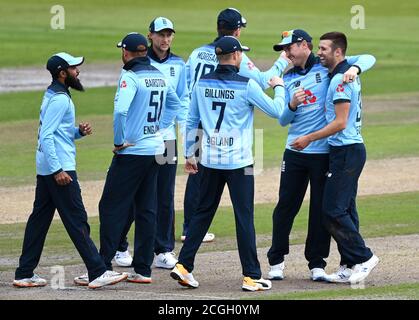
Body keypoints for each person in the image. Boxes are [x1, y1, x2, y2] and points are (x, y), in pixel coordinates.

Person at [170, 36, 286, 291]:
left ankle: (183, 265)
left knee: (202, 213)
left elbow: (192, 121)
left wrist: (190, 154)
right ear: (235, 56)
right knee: (244, 217)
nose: (242, 57)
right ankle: (252, 276)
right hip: (239, 162)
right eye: (241, 54)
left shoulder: (202, 84)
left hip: (209, 159)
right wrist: (279, 86)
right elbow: (278, 111)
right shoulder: (246, 85)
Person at [266, 29, 376, 282]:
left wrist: (356, 69)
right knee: (285, 207)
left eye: (288, 48)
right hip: (295, 150)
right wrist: (291, 103)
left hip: (323, 152)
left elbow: (368, 58)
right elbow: (283, 120)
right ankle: (276, 261)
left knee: (321, 209)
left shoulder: (328, 68)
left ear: (304, 45)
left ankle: (316, 263)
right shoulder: (289, 77)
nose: (286, 54)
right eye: (283, 50)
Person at [13, 53, 127, 289]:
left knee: (39, 221)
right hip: (60, 169)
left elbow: (55, 132)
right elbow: (46, 136)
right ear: (62, 73)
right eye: (74, 68)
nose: (78, 72)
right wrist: (58, 170)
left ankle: (24, 273)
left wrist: (78, 132)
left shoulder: (53, 94)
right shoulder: (60, 100)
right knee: (77, 220)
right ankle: (97, 270)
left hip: (47, 167)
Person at [75, 33, 180, 286]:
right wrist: (158, 129)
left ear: (126, 53)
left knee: (110, 207)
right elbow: (175, 105)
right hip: (156, 150)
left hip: (132, 153)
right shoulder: (159, 75)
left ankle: (100, 267)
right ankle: (143, 270)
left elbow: (121, 110)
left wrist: (119, 141)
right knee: (146, 209)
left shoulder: (130, 77)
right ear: (145, 52)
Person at [182, 7, 290, 243]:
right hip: (221, 121)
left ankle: (189, 226)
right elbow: (261, 81)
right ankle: (194, 230)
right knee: (222, 177)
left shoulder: (197, 53)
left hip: (198, 115)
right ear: (237, 31)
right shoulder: (235, 54)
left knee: (196, 175)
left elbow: (186, 84)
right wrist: (282, 62)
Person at [114, 17, 189, 270]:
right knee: (135, 195)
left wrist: (166, 126)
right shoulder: (136, 65)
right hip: (138, 142)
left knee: (165, 194)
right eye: (160, 35)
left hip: (166, 141)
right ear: (150, 36)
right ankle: (120, 245)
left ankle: (163, 249)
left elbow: (182, 101)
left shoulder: (179, 64)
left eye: (169, 35)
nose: (165, 40)